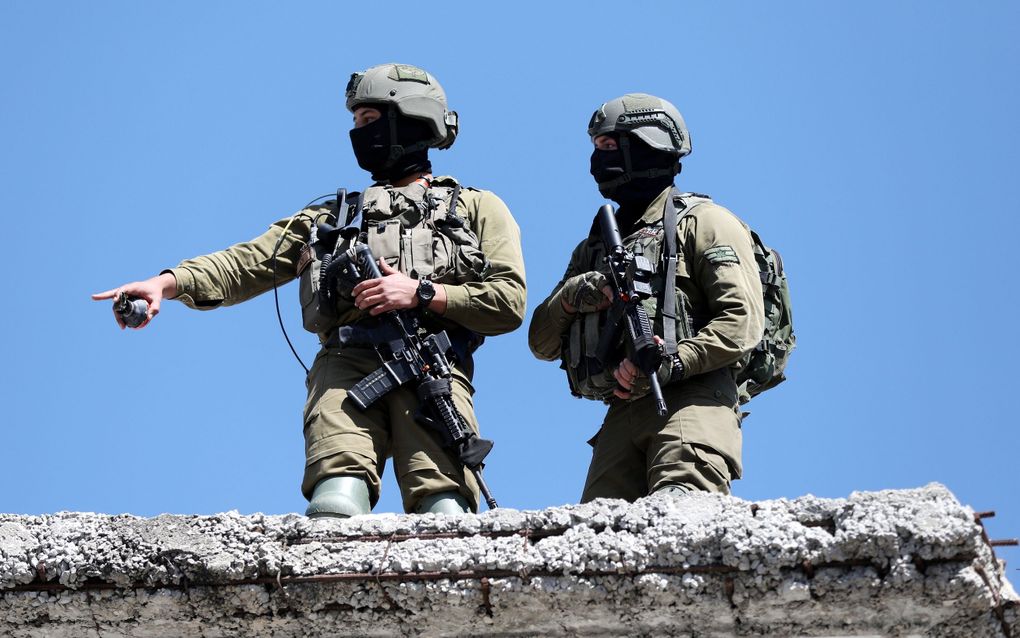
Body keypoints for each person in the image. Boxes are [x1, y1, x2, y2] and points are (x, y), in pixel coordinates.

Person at [93, 63, 526, 517]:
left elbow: (508, 301)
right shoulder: (331, 219)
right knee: (335, 499)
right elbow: (249, 262)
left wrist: (420, 293)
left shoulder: (476, 207)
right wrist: (168, 282)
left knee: (444, 507)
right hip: (346, 365)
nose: (359, 133)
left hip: (431, 366)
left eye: (370, 120)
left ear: (412, 119)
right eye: (356, 122)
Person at [528, 93, 764, 501]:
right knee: (596, 541)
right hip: (621, 414)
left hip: (693, 404)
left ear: (648, 145)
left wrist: (671, 360)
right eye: (596, 148)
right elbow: (541, 342)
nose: (598, 159)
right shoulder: (594, 249)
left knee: (680, 521)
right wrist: (578, 293)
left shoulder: (705, 222)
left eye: (608, 146)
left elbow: (741, 324)